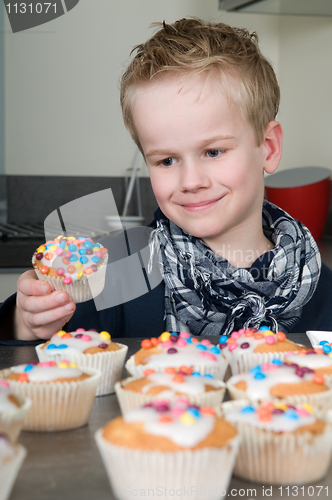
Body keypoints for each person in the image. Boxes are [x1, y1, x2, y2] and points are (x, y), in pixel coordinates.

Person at [1, 17, 332, 344]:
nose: (190, 180)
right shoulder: (114, 271)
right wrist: (26, 324)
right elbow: (42, 357)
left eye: (214, 152)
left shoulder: (321, 287)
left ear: (269, 149)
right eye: (167, 160)